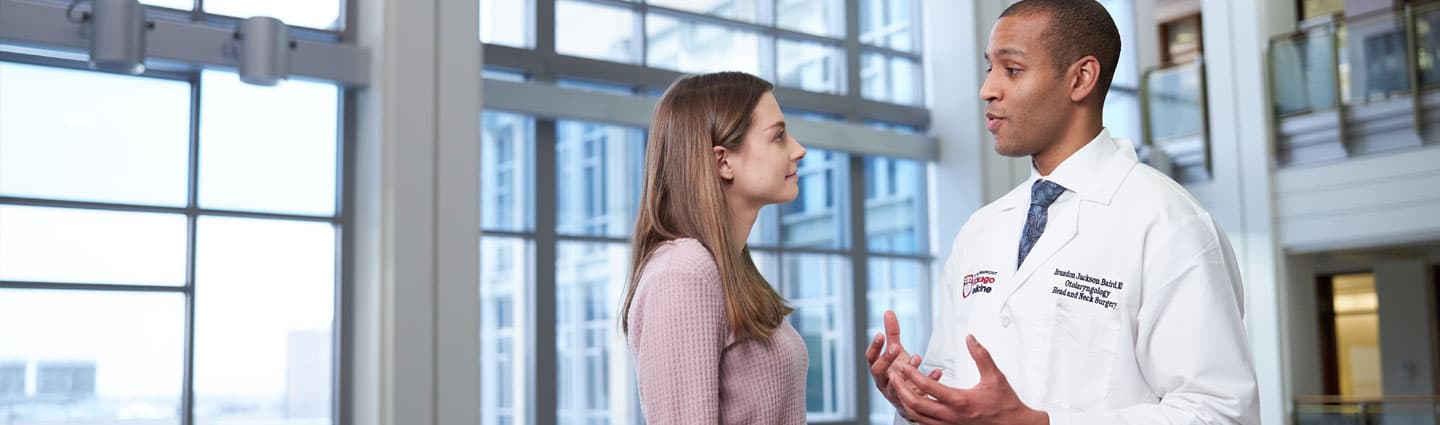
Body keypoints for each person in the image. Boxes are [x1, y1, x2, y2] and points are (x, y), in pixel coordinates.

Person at [864, 1, 1261, 424]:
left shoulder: (1169, 223)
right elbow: (960, 389)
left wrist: (1039, 423)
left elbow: (1219, 413)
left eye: (1012, 70)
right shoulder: (982, 228)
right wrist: (917, 399)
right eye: (989, 70)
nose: (988, 90)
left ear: (1081, 78)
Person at [620, 71, 809, 424]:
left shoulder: (728, 269)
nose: (798, 150)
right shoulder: (683, 273)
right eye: (778, 137)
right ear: (723, 161)